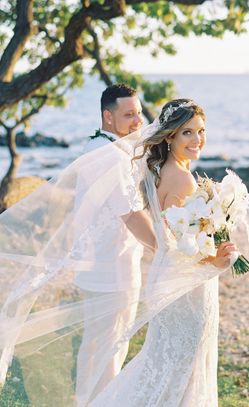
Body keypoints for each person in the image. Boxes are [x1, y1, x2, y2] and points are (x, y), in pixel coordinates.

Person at [89, 99, 238, 407]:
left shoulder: (162, 172)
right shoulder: (182, 179)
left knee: (162, 363)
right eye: (187, 133)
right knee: (180, 366)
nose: (197, 140)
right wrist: (222, 261)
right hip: (185, 286)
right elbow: (191, 251)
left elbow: (176, 238)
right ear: (169, 136)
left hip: (167, 274)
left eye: (201, 131)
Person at [75, 84, 145, 401]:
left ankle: (87, 400)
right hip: (114, 270)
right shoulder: (109, 157)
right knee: (110, 349)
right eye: (129, 115)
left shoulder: (95, 147)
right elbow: (129, 214)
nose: (137, 122)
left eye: (139, 113)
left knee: (96, 348)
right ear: (108, 116)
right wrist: (165, 249)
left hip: (97, 266)